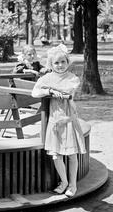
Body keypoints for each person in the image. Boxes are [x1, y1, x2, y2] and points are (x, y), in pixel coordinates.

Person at [31, 44, 86, 198]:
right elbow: (35, 92)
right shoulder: (47, 78)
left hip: (68, 119)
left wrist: (56, 90)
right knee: (56, 155)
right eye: (56, 63)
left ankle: (73, 185)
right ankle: (63, 182)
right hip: (55, 120)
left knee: (72, 154)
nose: (60, 65)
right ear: (51, 64)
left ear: (67, 62)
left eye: (63, 62)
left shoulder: (72, 78)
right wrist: (48, 91)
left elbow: (69, 91)